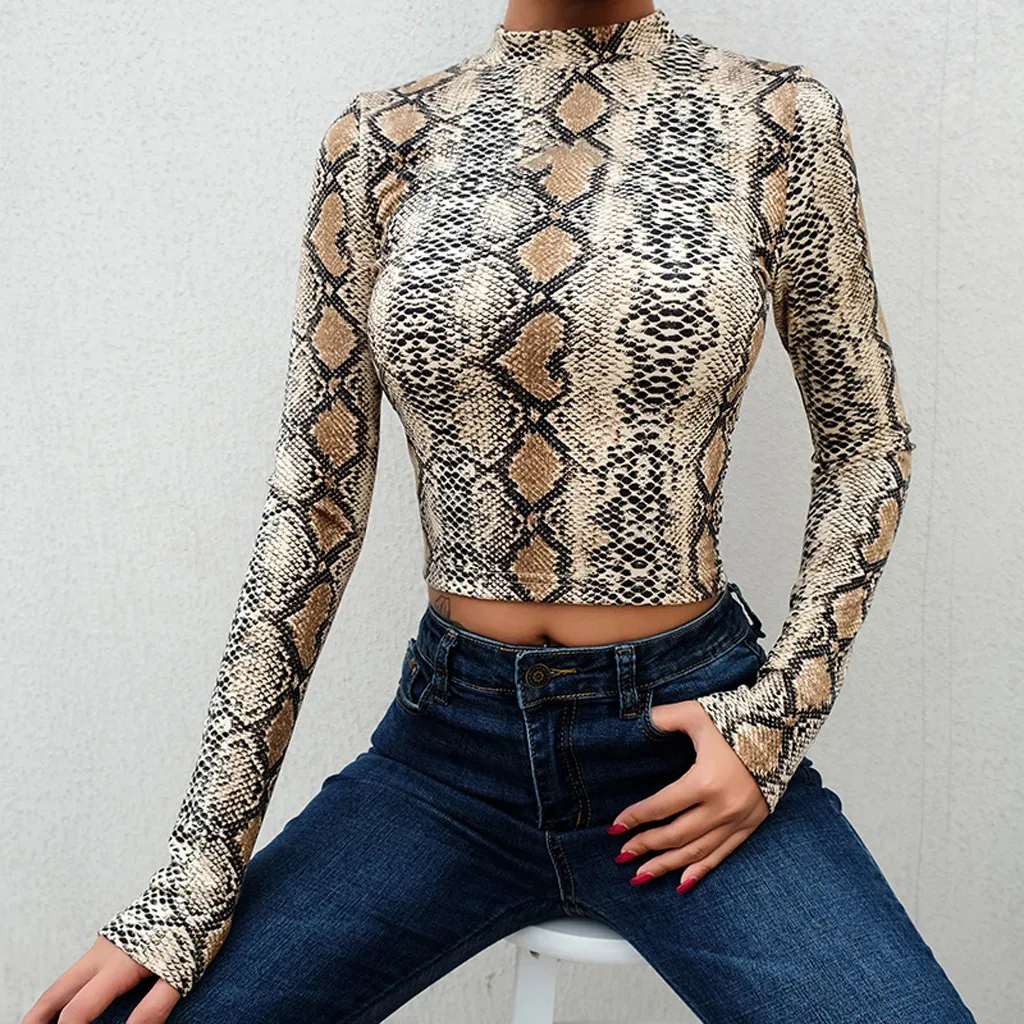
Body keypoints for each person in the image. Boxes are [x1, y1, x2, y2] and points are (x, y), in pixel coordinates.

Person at [23, 2, 977, 1022]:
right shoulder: (382, 136)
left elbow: (868, 440)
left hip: (685, 745)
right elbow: (314, 503)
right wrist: (195, 873)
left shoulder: (777, 117)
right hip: (447, 755)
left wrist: (776, 720)